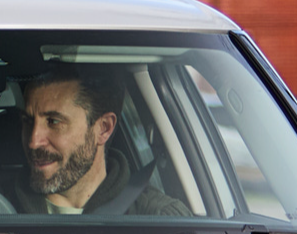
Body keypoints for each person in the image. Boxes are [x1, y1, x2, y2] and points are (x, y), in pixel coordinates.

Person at [10, 67, 191, 217]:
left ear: (103, 128)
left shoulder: (158, 218)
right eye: (27, 121)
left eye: (54, 122)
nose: (33, 142)